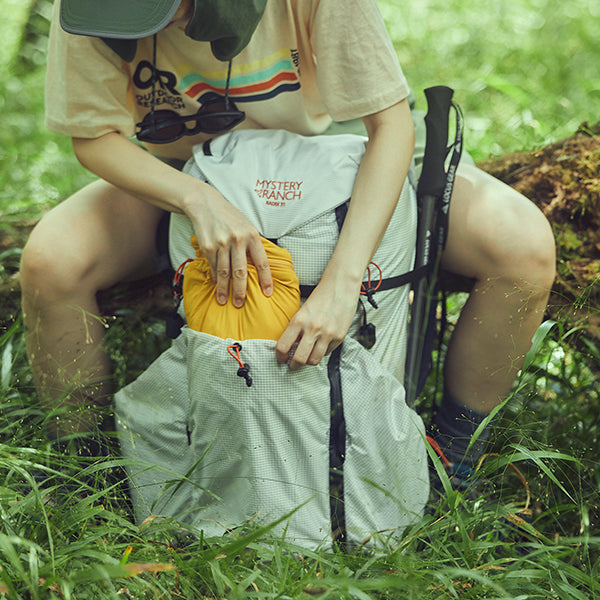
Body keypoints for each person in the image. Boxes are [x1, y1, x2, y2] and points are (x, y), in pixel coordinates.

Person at [20, 0, 555, 482]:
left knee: (522, 247)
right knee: (52, 262)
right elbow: (92, 137)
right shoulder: (92, 11)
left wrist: (345, 283)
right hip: (178, 170)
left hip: (333, 158)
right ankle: (85, 471)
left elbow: (390, 126)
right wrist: (196, 199)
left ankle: (451, 458)